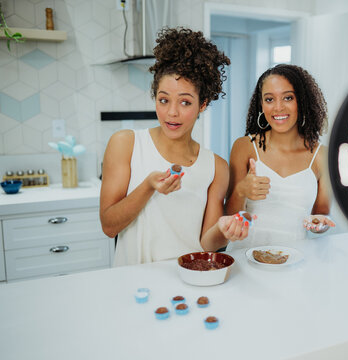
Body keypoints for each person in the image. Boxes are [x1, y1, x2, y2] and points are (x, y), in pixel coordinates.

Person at [100, 27, 250, 266]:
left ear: (203, 104)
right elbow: (109, 226)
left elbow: (206, 244)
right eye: (163, 100)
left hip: (187, 280)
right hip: (133, 283)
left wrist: (224, 229)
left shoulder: (216, 167)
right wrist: (148, 186)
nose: (172, 112)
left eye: (185, 102)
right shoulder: (126, 143)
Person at [225, 64, 335, 250]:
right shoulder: (244, 147)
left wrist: (320, 224)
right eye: (269, 99)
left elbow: (321, 214)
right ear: (261, 104)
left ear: (302, 101)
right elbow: (229, 217)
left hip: (295, 262)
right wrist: (241, 191)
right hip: (244, 260)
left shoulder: (321, 157)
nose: (278, 107)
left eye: (288, 98)